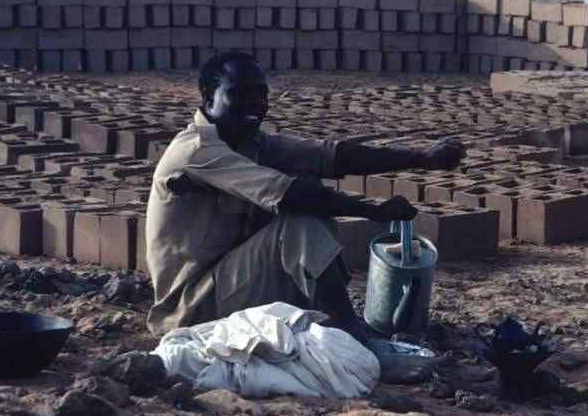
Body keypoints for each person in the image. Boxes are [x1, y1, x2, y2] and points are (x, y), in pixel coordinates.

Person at [145, 51, 465, 342]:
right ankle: (354, 335)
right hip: (192, 308)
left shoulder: (252, 143)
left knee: (310, 193)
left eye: (261, 95)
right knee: (300, 217)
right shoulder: (198, 150)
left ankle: (339, 323)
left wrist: (423, 158)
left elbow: (333, 156)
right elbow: (292, 195)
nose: (254, 104)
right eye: (239, 94)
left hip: (231, 282)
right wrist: (372, 210)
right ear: (206, 96)